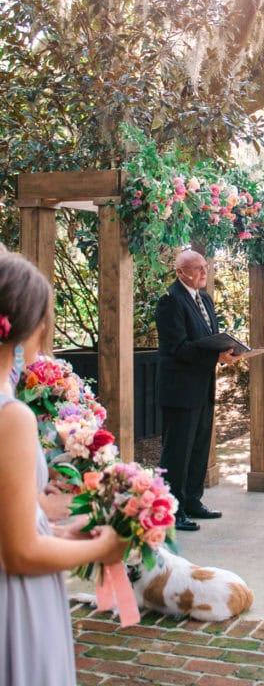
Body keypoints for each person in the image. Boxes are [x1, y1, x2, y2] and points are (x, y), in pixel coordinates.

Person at [0, 251, 126, 686]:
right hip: (14, 603)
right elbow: (19, 555)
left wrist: (61, 534)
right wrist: (103, 547)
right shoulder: (10, 416)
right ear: (33, 327)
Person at [156, 249, 242, 530]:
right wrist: (215, 356)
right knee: (177, 451)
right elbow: (178, 348)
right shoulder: (170, 302)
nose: (204, 272)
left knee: (199, 447)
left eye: (204, 266)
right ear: (180, 272)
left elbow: (207, 340)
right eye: (196, 268)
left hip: (202, 385)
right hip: (179, 389)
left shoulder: (203, 298)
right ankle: (172, 510)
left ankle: (193, 500)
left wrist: (227, 351)